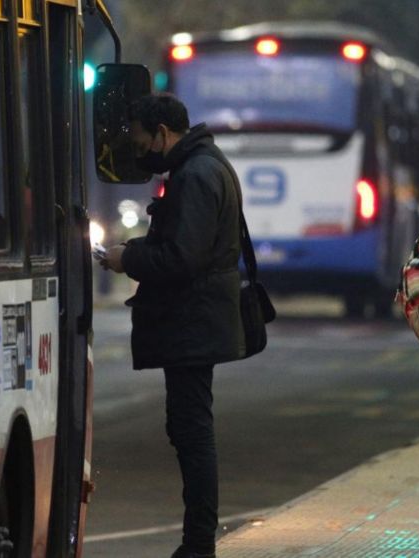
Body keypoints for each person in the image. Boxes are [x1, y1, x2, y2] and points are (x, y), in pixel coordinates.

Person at [100, 93, 245, 558]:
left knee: (193, 431)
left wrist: (130, 257)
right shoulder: (201, 166)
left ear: (163, 134)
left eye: (143, 143)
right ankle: (196, 541)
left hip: (193, 321)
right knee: (188, 428)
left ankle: (198, 543)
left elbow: (183, 256)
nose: (141, 153)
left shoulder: (197, 174)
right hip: (194, 320)